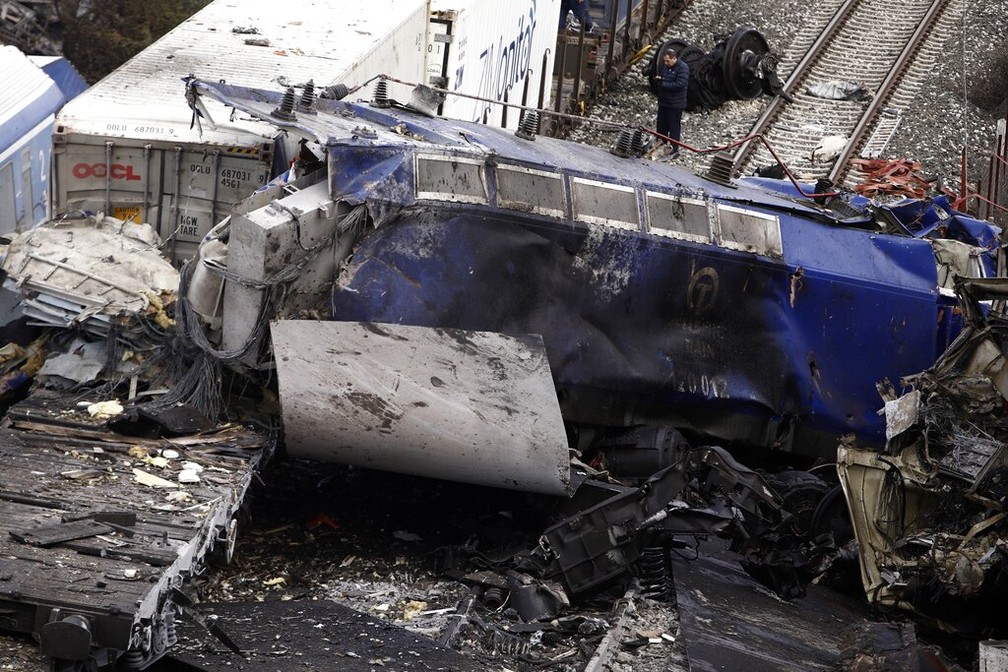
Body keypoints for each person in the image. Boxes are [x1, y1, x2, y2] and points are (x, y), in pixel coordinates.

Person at [653, 49, 689, 154]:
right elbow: (664, 78)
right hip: (664, 102)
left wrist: (664, 84)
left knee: (674, 126)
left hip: (675, 104)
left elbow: (680, 84)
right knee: (661, 126)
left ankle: (674, 148)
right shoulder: (666, 68)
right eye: (665, 61)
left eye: (668, 61)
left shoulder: (683, 68)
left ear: (674, 58)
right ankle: (660, 145)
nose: (665, 63)